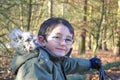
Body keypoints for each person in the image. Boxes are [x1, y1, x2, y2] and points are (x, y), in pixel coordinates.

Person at [10, 17, 101, 80]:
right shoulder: (36, 64)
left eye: (68, 39)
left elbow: (69, 64)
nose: (63, 43)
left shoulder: (53, 58)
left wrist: (89, 63)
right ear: (42, 40)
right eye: (57, 37)